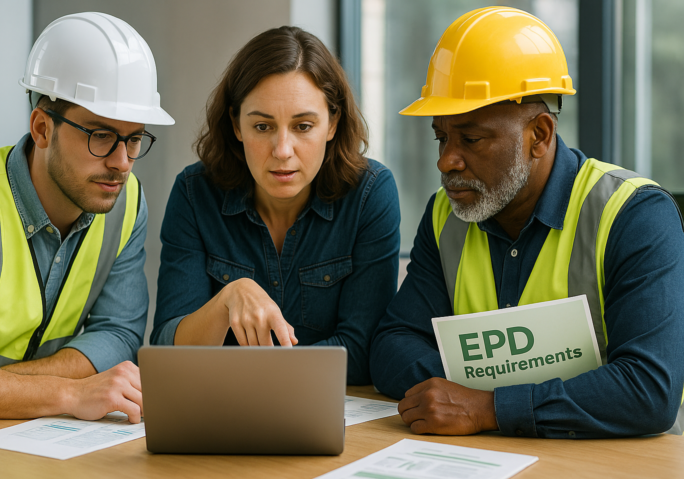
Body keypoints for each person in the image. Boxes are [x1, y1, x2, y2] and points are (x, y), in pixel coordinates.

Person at [370, 7, 684, 437]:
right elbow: (391, 347)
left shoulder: (635, 216)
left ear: (539, 135)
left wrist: (487, 407)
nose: (445, 160)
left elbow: (649, 391)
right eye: (441, 136)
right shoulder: (446, 215)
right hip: (485, 467)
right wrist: (485, 403)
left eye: (471, 138)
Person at [0, 12, 175, 423]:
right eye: (101, 136)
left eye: (135, 138)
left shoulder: (125, 203)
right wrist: (69, 394)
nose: (122, 163)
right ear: (41, 128)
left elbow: (119, 335)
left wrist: (5, 390)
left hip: (40, 443)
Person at [151, 26, 400, 384]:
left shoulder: (370, 193)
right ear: (237, 124)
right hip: (222, 410)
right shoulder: (195, 193)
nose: (282, 151)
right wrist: (228, 299)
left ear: (332, 123)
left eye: (302, 126)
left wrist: (248, 372)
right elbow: (166, 348)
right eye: (263, 127)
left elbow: (361, 353)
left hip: (333, 413)